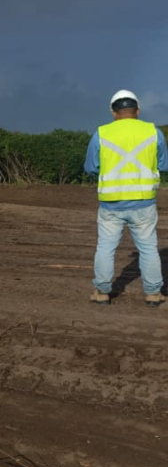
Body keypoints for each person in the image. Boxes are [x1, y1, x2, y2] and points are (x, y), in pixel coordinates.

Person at [84, 89, 167, 307]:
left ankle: (102, 292)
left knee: (105, 247)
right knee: (149, 249)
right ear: (137, 111)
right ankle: (153, 294)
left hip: (111, 204)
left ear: (113, 113)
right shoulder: (153, 132)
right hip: (143, 203)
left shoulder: (101, 133)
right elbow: (163, 164)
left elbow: (91, 168)